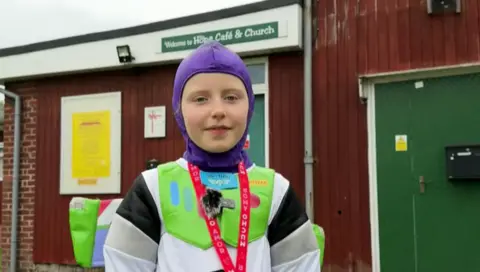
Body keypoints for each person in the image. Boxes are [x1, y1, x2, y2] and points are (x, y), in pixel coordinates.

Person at [103, 41, 322, 271]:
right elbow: (123, 263)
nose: (218, 110)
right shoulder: (152, 189)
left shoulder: (276, 191)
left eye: (231, 97)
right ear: (179, 109)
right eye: (200, 99)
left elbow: (301, 265)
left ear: (249, 107)